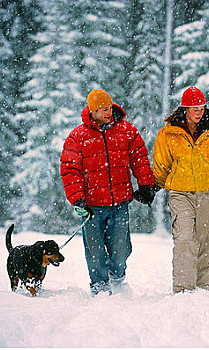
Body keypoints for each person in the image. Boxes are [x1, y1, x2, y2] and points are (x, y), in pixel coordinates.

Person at [60, 89, 155, 296]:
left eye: (110, 108)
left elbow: (139, 157)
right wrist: (77, 199)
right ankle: (99, 285)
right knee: (94, 251)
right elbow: (69, 170)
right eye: (103, 109)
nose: (108, 112)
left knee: (121, 249)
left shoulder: (126, 130)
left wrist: (146, 185)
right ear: (92, 111)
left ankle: (117, 276)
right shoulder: (78, 137)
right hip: (92, 207)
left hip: (120, 202)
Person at [152, 86, 209, 293]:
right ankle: (183, 289)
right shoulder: (169, 133)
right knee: (184, 239)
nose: (199, 113)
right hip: (180, 193)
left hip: (208, 192)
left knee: (206, 240)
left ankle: (202, 288)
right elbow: (161, 162)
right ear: (185, 109)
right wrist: (154, 185)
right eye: (194, 108)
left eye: (202, 108)